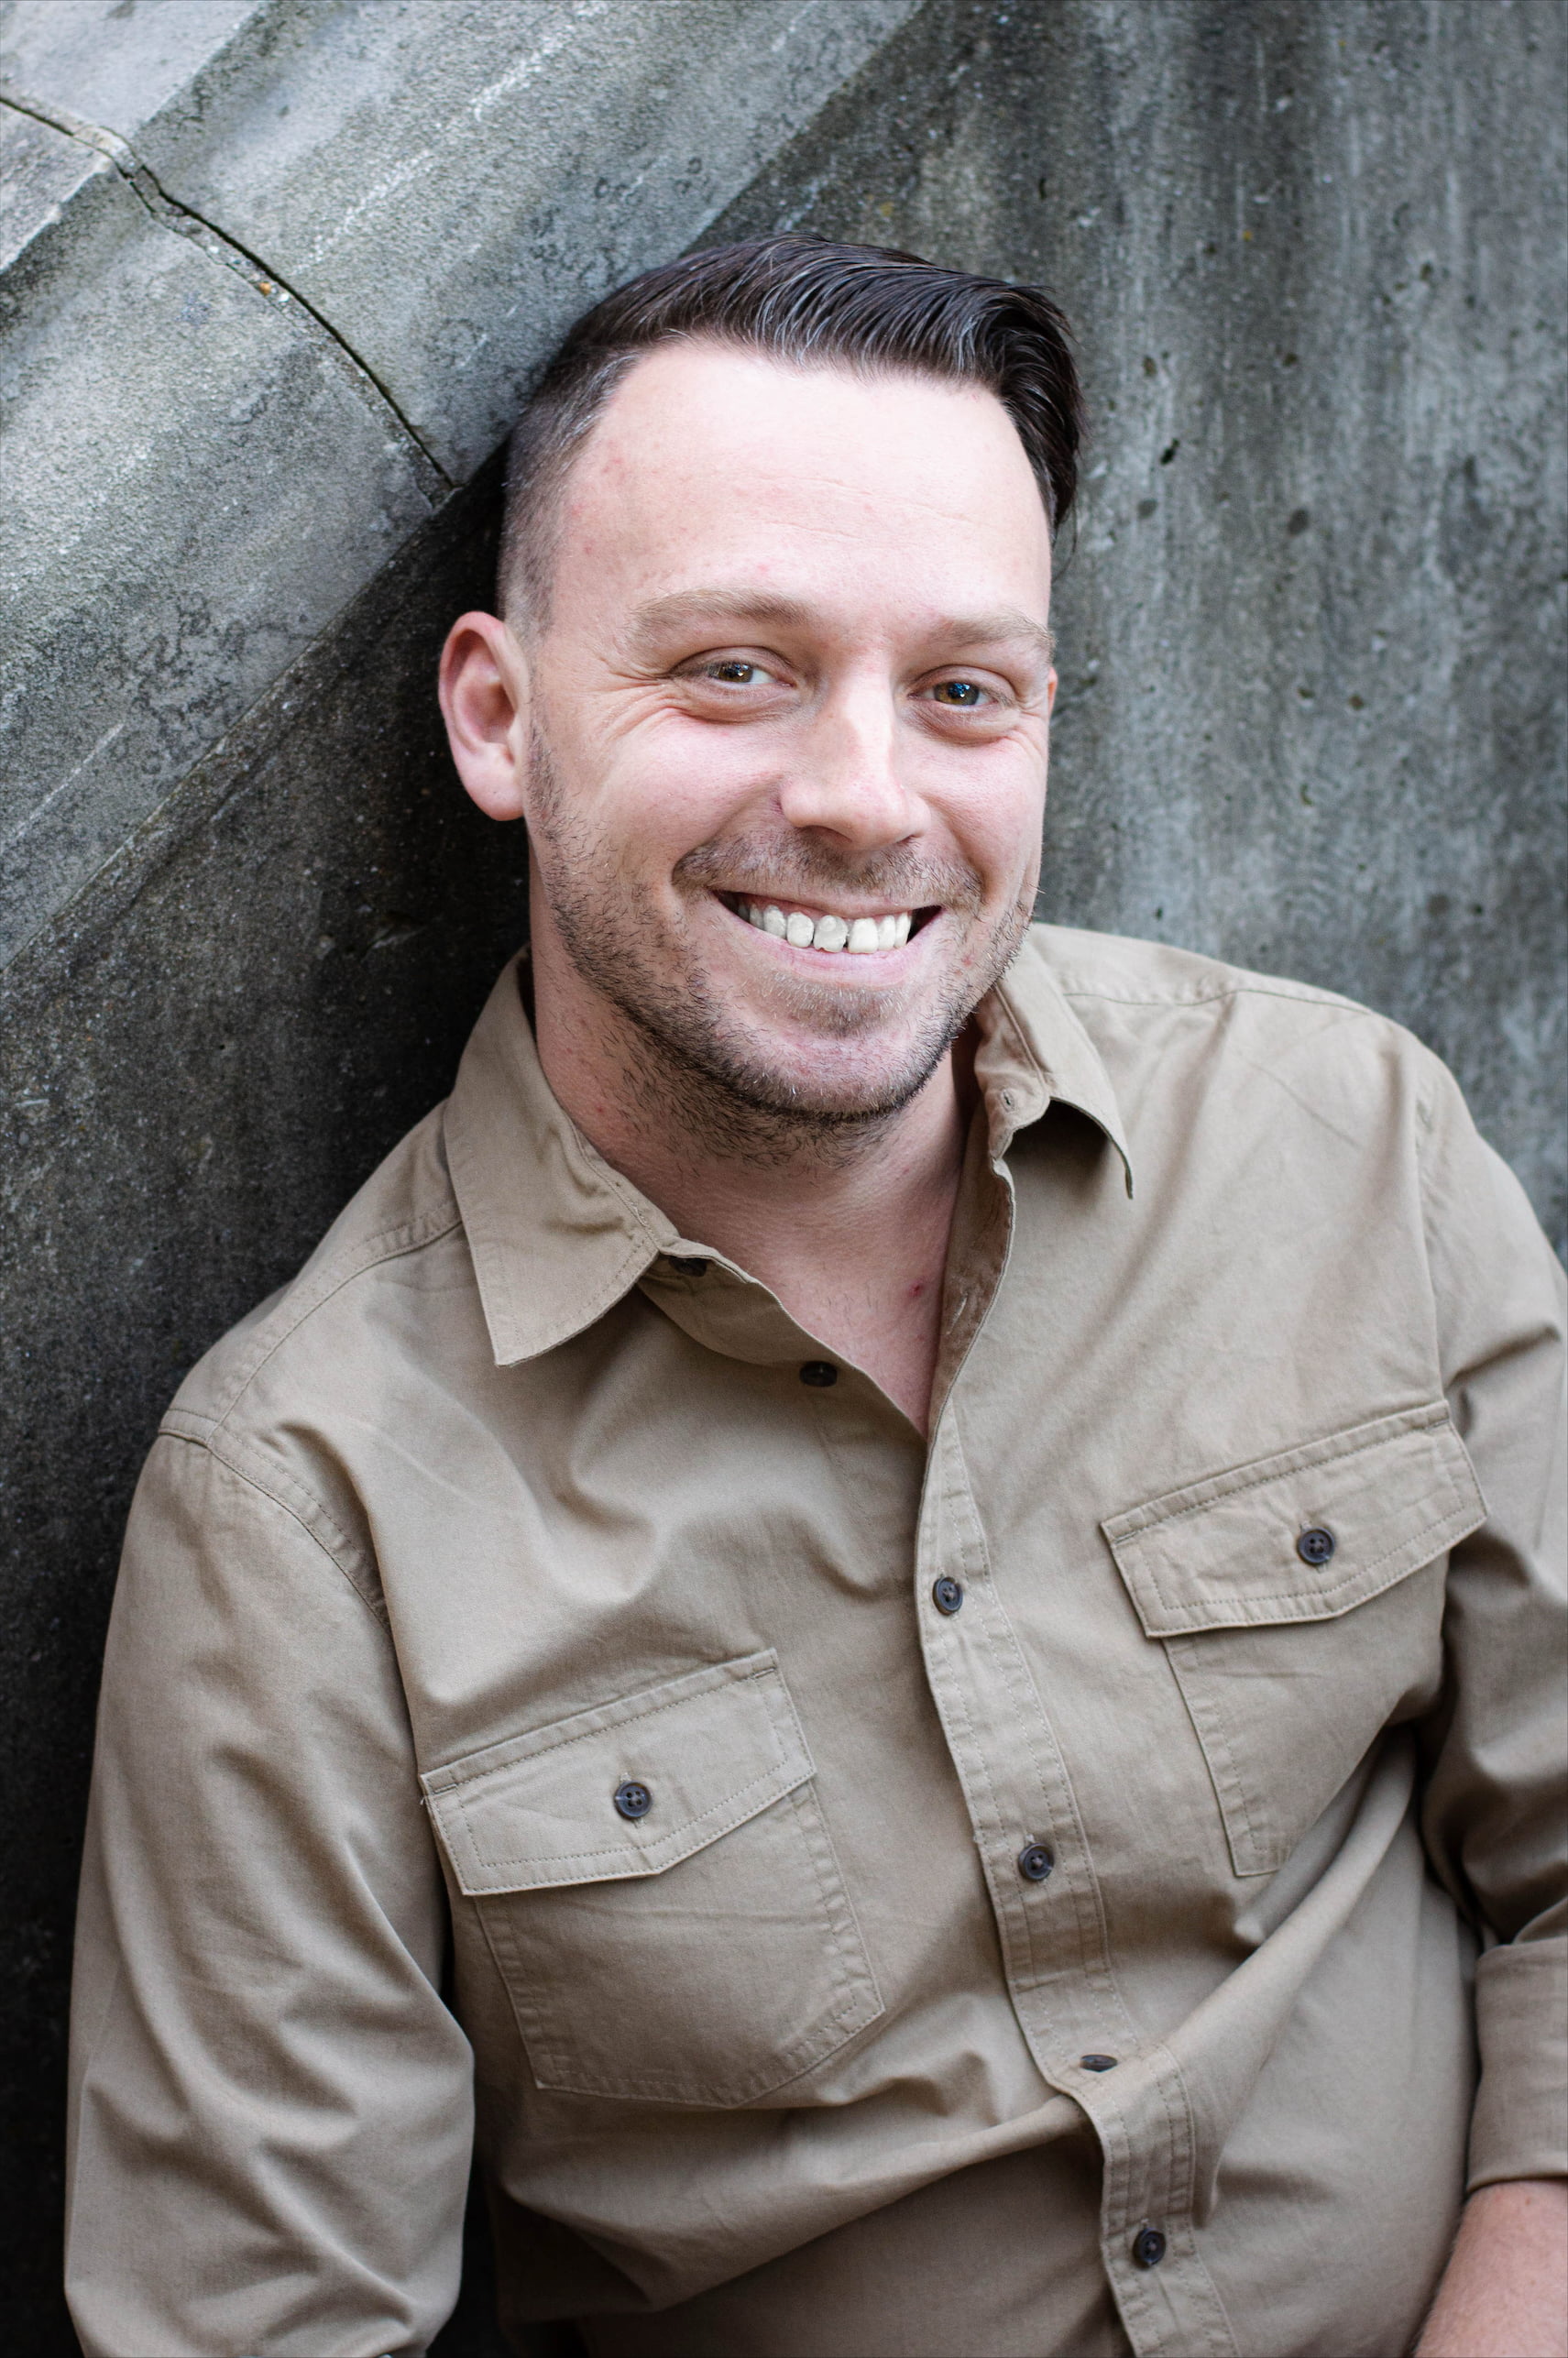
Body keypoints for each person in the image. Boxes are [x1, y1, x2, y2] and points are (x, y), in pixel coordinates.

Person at [65, 236, 1564, 2358]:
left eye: (965, 689)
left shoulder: (1342, 1135)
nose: (868, 800)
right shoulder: (302, 1504)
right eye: (737, 670)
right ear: (501, 719)